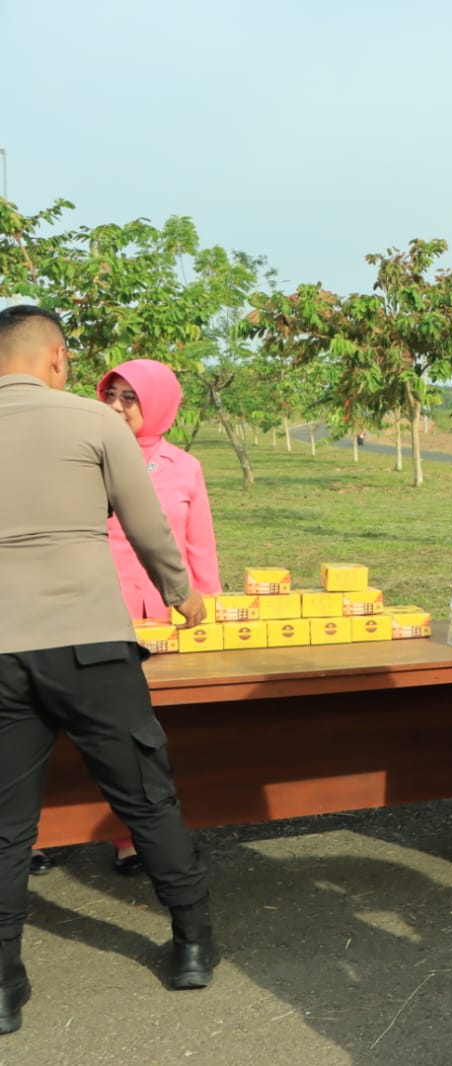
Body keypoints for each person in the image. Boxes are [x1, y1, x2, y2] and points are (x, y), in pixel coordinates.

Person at [0, 306, 221, 1038]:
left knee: (6, 828)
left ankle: (4, 987)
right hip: (91, 642)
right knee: (146, 798)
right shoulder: (95, 424)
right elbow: (146, 520)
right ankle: (190, 943)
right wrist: (182, 596)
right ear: (57, 358)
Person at [94, 359, 224, 876]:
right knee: (96, 729)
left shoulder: (184, 467)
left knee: (153, 731)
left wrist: (209, 607)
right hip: (97, 611)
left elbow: (199, 547)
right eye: (111, 395)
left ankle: (142, 835)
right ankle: (48, 833)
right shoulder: (86, 455)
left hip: (164, 616)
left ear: (160, 406)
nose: (118, 407)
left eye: (131, 398)